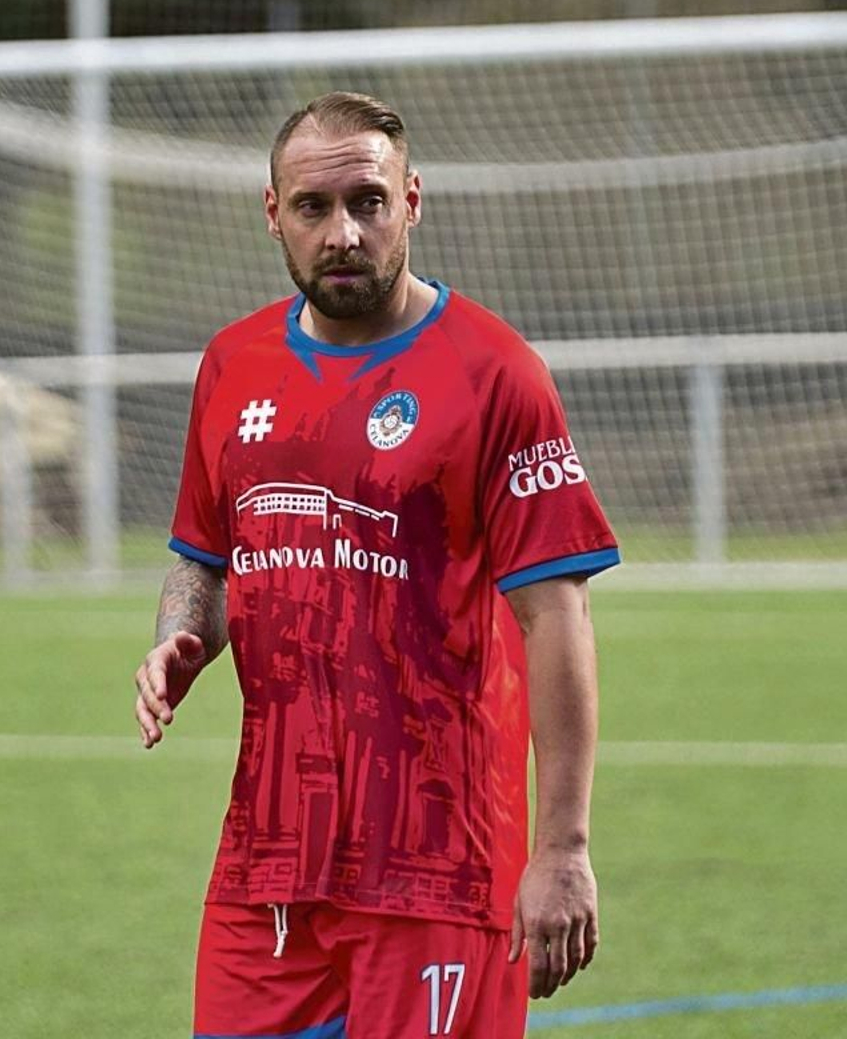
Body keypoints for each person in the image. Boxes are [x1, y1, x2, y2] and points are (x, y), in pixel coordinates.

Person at [134, 90, 620, 1039]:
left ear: (413, 201)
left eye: (368, 202)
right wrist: (179, 637)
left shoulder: (495, 375)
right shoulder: (232, 366)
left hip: (438, 865)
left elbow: (556, 616)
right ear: (273, 213)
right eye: (314, 209)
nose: (344, 233)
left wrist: (562, 845)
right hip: (268, 865)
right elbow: (207, 556)